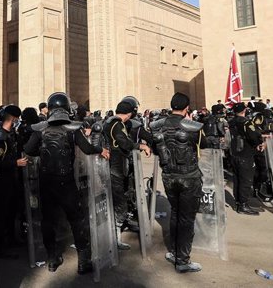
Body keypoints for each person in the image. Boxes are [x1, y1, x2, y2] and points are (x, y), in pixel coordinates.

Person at [23, 92, 109, 275]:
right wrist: (100, 149)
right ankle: (83, 262)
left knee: (48, 220)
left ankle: (52, 260)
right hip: (66, 182)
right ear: (66, 108)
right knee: (77, 220)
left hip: (45, 182)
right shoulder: (72, 129)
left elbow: (28, 149)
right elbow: (87, 148)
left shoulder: (40, 129)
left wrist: (45, 153)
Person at [150, 92, 207, 273]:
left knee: (175, 213)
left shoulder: (157, 126)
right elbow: (203, 143)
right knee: (186, 218)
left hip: (169, 176)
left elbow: (155, 149)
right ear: (186, 108)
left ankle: (174, 252)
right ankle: (182, 260)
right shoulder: (193, 126)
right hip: (189, 177)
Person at [103, 98, 149, 250]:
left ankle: (115, 235)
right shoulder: (117, 125)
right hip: (116, 168)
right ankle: (114, 239)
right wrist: (140, 145)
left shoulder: (109, 122)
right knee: (120, 205)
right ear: (129, 114)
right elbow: (124, 143)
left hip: (112, 168)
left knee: (117, 202)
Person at [0, 105, 26, 258]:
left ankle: (11, 239)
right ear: (13, 119)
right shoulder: (0, 137)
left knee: (11, 211)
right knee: (1, 215)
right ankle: (1, 247)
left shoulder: (10, 135)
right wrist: (15, 163)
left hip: (11, 180)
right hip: (1, 182)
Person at [229, 102, 262, 215]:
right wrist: (260, 141)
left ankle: (238, 202)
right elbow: (254, 136)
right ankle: (243, 204)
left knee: (237, 179)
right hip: (245, 154)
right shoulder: (246, 123)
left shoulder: (231, 121)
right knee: (246, 180)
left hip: (234, 153)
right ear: (244, 111)